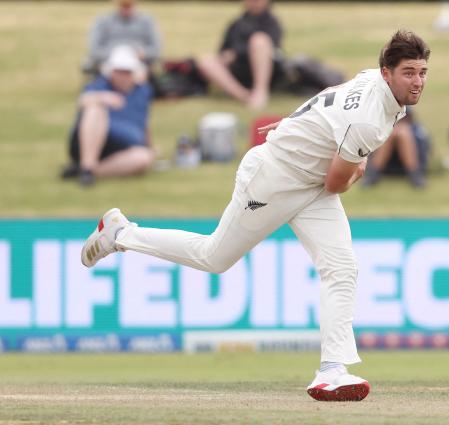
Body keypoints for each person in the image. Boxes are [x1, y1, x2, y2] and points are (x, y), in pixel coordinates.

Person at [80, 30, 430, 401]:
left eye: (423, 71)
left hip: (309, 182)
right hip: (274, 178)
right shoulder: (368, 118)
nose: (418, 81)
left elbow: (327, 104)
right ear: (386, 73)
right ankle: (120, 234)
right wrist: (358, 167)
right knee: (214, 257)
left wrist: (294, 125)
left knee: (342, 268)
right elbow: (336, 182)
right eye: (408, 72)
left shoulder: (373, 83)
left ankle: (331, 371)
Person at [62, 45, 154, 186]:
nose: (123, 76)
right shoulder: (100, 86)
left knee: (144, 156)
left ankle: (88, 171)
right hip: (93, 139)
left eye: (127, 72)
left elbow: (144, 120)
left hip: (124, 146)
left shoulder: (142, 91)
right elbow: (83, 101)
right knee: (95, 110)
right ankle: (87, 165)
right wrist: (102, 98)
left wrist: (149, 146)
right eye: (119, 71)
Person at [196, 0, 284, 109]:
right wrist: (226, 56)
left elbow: (274, 50)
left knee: (259, 40)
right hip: (238, 71)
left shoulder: (271, 23)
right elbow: (223, 51)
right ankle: (244, 96)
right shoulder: (236, 24)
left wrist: (237, 53)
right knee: (206, 60)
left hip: (266, 72)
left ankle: (260, 92)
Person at [85, 0, 162, 74]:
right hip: (109, 62)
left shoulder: (146, 21)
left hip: (138, 63)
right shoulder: (103, 21)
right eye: (123, 5)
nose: (126, 9)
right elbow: (94, 50)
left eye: (129, 5)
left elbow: (156, 50)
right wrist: (114, 54)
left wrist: (143, 54)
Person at [361, 107, 430, 188]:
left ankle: (415, 175)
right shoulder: (379, 130)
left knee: (402, 132)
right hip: (386, 166)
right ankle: (372, 175)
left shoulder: (416, 131)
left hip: (407, 167)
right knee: (391, 132)